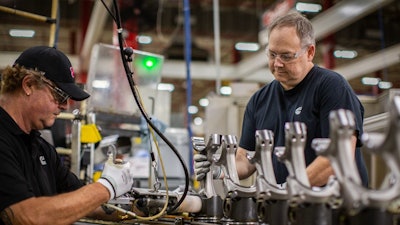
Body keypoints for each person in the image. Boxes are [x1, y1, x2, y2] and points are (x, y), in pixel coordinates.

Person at [194, 11, 368, 187]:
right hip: (286, 208)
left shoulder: (331, 87)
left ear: (310, 52)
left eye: (286, 56)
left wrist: (290, 188)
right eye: (272, 54)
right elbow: (246, 158)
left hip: (335, 208)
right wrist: (222, 169)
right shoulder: (259, 100)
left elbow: (337, 158)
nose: (277, 63)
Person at [0, 46, 135, 225]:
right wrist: (106, 187)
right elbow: (26, 216)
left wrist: (159, 204)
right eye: (60, 95)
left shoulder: (41, 148)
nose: (65, 106)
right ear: (29, 85)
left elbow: (83, 200)